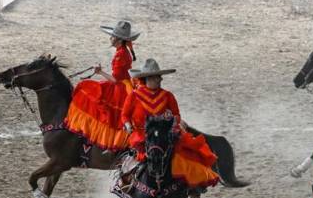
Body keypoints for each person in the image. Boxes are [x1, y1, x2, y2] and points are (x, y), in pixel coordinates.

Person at [120, 58, 219, 188]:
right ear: (148, 78)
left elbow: (177, 115)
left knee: (184, 155)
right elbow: (125, 115)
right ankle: (128, 187)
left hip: (164, 133)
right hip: (142, 134)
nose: (160, 79)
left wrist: (172, 120)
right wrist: (127, 125)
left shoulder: (167, 96)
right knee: (132, 161)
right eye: (157, 77)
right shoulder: (134, 96)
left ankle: (190, 187)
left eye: (160, 77)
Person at [64, 20, 141, 151]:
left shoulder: (120, 54)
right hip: (125, 83)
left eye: (112, 36)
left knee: (85, 89)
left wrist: (100, 72)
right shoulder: (123, 51)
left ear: (117, 39)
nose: (110, 38)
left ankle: (87, 133)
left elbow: (115, 80)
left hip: (120, 87)